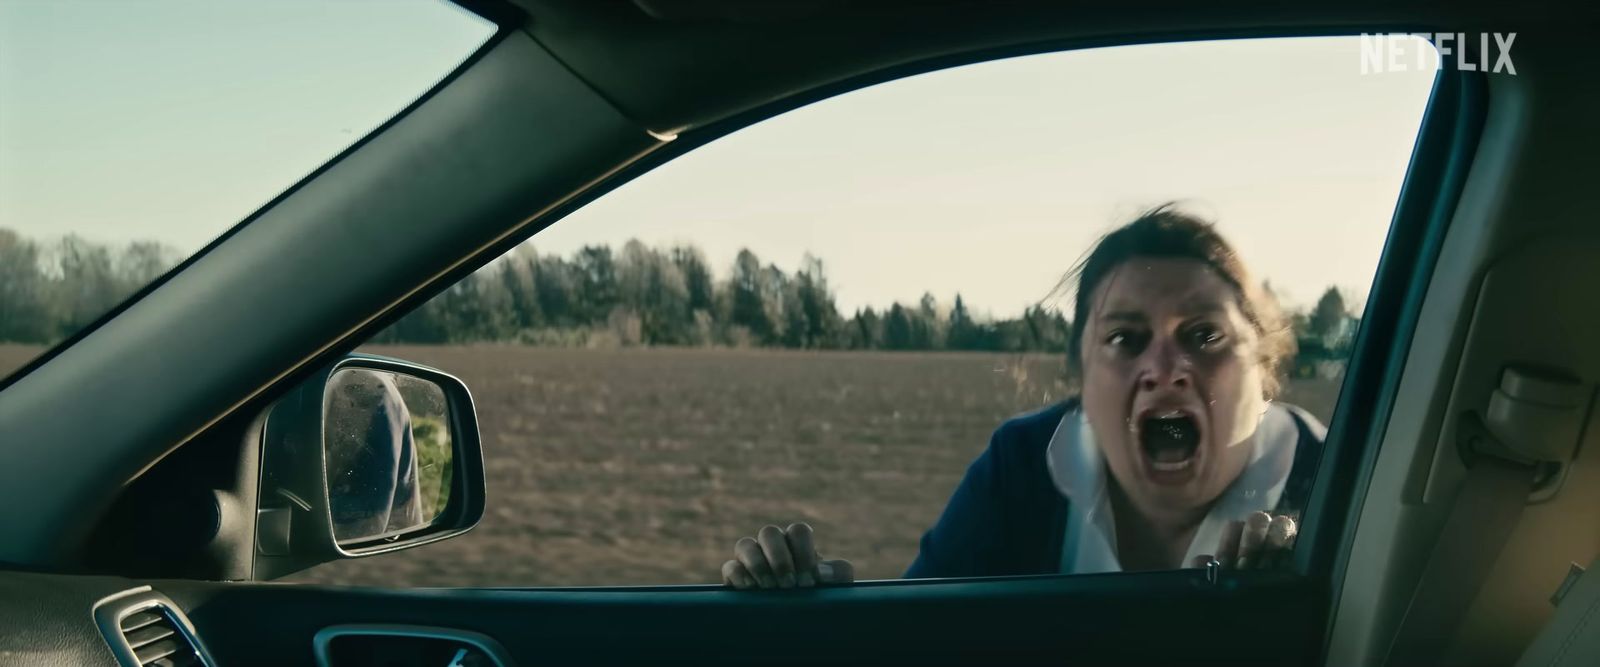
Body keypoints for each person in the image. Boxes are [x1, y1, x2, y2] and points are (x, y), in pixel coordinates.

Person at [722, 205, 1325, 589]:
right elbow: (919, 638)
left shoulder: (1338, 481)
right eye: (1124, 338)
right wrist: (806, 617)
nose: (1164, 370)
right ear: (1082, 380)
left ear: (1264, 366)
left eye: (1204, 335)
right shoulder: (1022, 466)